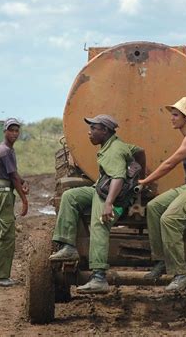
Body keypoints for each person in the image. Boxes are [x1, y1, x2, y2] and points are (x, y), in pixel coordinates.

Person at [49, 114, 143, 294]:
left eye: (93, 128)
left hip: (112, 196)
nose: (89, 132)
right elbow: (139, 150)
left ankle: (99, 277)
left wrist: (108, 204)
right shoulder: (114, 144)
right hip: (100, 189)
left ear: (105, 130)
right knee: (70, 196)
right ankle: (68, 247)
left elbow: (117, 177)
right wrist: (139, 177)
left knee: (100, 223)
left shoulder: (113, 151)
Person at [138, 97, 186, 292]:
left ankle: (180, 274)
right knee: (154, 207)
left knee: (169, 219)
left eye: (175, 115)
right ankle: (161, 261)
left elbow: (170, 163)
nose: (171, 119)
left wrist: (145, 181)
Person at [0, 118, 29, 287]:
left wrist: (23, 180)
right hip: (4, 194)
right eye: (11, 130)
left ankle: (0, 275)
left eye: (16, 130)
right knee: (6, 236)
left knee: (4, 234)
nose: (14, 133)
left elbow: (14, 173)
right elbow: (12, 177)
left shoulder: (7, 150)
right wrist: (24, 201)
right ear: (4, 131)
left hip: (4, 194)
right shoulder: (5, 151)